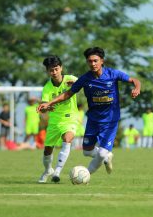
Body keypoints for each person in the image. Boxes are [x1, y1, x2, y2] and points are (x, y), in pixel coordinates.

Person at [38, 47, 141, 176]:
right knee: (87, 151)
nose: (93, 64)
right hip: (93, 119)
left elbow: (134, 80)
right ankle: (106, 157)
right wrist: (49, 103)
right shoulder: (85, 79)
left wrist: (137, 87)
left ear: (102, 61)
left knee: (102, 152)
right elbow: (68, 94)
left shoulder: (113, 74)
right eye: (90, 61)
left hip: (110, 120)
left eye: (95, 60)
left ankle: (85, 174)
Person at [37, 55, 79, 183]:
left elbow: (86, 83)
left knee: (68, 138)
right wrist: (44, 108)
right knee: (48, 149)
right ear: (47, 71)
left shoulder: (70, 79)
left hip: (70, 117)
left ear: (61, 68)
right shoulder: (47, 88)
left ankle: (57, 171)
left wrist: (77, 84)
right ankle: (48, 170)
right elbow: (45, 104)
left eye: (56, 69)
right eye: (51, 70)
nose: (54, 72)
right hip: (55, 121)